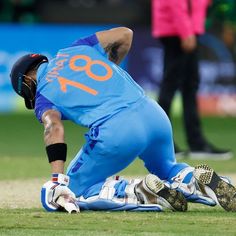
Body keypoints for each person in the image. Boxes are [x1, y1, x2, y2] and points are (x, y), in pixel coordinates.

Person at [10, 27, 236, 213]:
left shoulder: (43, 95)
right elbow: (125, 34)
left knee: (73, 192)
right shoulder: (76, 48)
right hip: (153, 113)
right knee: (168, 167)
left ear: (27, 81)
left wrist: (58, 179)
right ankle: (192, 179)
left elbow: (53, 127)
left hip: (118, 131)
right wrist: (111, 67)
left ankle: (140, 190)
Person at [151, 0, 233, 160]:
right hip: (178, 31)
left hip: (182, 29)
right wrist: (186, 32)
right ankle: (160, 142)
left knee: (188, 87)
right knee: (172, 86)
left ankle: (195, 143)